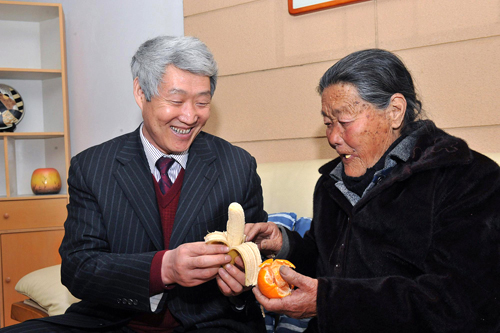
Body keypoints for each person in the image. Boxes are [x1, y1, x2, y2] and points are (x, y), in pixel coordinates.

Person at [2, 36, 267, 332]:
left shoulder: (238, 165)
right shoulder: (92, 167)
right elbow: (78, 269)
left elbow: (258, 262)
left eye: (202, 102)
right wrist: (163, 268)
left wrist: (241, 287)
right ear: (141, 92)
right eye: (176, 101)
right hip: (112, 321)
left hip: (210, 323)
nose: (191, 116)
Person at [245, 49, 500, 332]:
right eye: (328, 123)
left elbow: (460, 303)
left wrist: (329, 303)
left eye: (344, 122)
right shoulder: (332, 183)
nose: (333, 137)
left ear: (394, 112)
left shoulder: (467, 178)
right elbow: (329, 264)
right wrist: (284, 244)